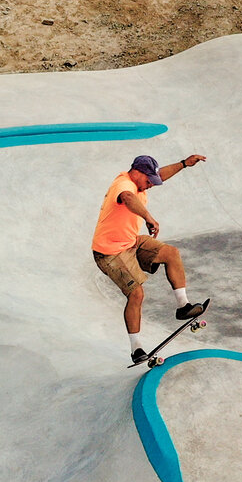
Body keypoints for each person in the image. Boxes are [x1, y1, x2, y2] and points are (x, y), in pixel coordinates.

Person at [92, 151, 210, 363]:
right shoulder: (124, 185)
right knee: (136, 294)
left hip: (130, 241)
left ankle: (183, 307)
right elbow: (128, 199)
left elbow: (160, 175)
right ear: (136, 173)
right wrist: (148, 217)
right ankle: (136, 348)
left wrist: (184, 163)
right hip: (110, 252)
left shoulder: (140, 181)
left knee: (171, 253)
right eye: (148, 181)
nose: (151, 185)